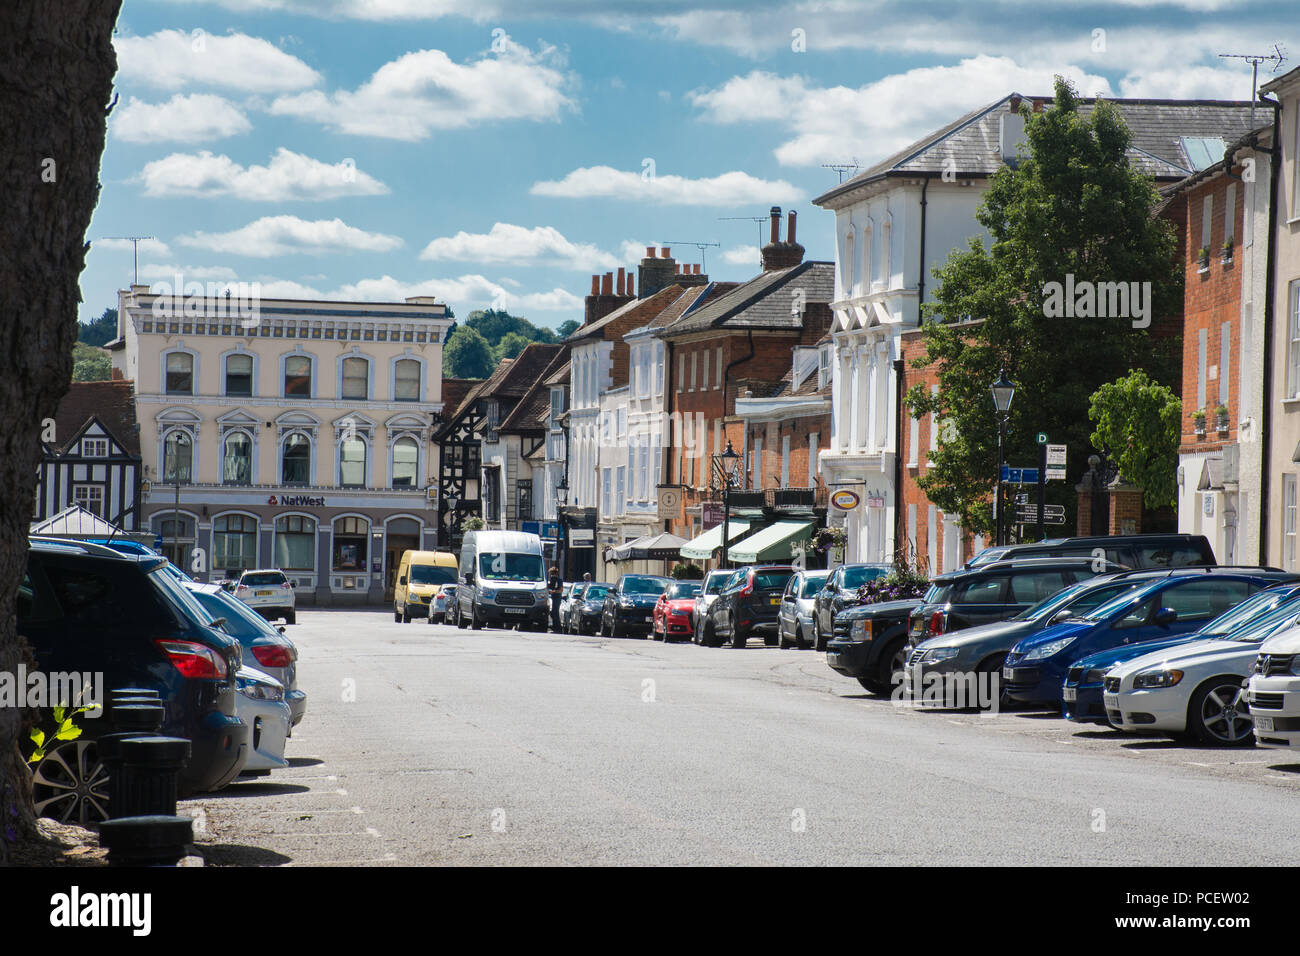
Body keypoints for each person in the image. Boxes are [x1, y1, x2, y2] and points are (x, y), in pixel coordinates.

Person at [547, 565, 563, 632]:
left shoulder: (559, 580)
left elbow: (561, 590)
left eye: (551, 574)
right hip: (553, 598)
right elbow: (549, 586)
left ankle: (558, 628)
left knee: (555, 612)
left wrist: (553, 591)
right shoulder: (552, 580)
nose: (550, 575)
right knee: (553, 612)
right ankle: (555, 626)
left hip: (557, 598)